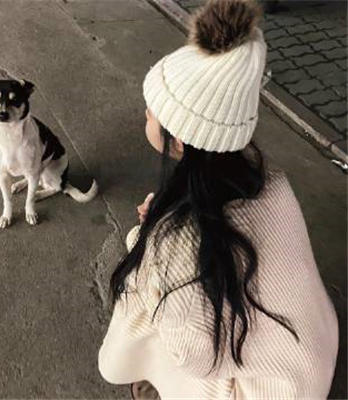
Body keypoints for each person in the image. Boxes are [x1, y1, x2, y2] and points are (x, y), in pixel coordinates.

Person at [98, 0, 339, 398]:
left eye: (152, 112)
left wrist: (147, 240)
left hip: (267, 391)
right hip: (309, 357)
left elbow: (196, 357)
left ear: (179, 139)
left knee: (136, 311)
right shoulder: (271, 181)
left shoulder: (179, 241)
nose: (145, 115)